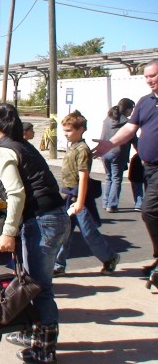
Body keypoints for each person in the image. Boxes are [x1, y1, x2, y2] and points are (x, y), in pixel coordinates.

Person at [0, 103, 70, 364]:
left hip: (41, 221)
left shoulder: (2, 152)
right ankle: (34, 335)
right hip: (56, 218)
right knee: (36, 284)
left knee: (37, 287)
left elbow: (17, 194)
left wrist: (8, 232)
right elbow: (6, 192)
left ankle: (44, 348)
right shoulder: (23, 146)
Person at [93, 59, 158, 290]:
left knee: (149, 211)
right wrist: (109, 144)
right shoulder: (145, 102)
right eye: (147, 76)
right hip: (149, 167)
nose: (150, 79)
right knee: (152, 213)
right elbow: (130, 128)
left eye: (154, 75)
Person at [54, 111, 120, 277]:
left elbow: (83, 178)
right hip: (67, 198)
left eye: (69, 131)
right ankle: (58, 264)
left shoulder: (82, 149)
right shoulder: (73, 148)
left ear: (81, 129)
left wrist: (80, 203)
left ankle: (110, 257)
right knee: (64, 233)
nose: (66, 135)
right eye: (64, 131)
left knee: (89, 233)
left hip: (78, 199)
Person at [99, 98, 135, 212]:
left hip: (104, 152)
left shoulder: (107, 119)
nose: (132, 112)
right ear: (127, 109)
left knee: (109, 177)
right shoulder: (126, 123)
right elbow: (133, 138)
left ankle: (106, 203)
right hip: (118, 153)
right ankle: (112, 204)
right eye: (131, 109)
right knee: (116, 179)